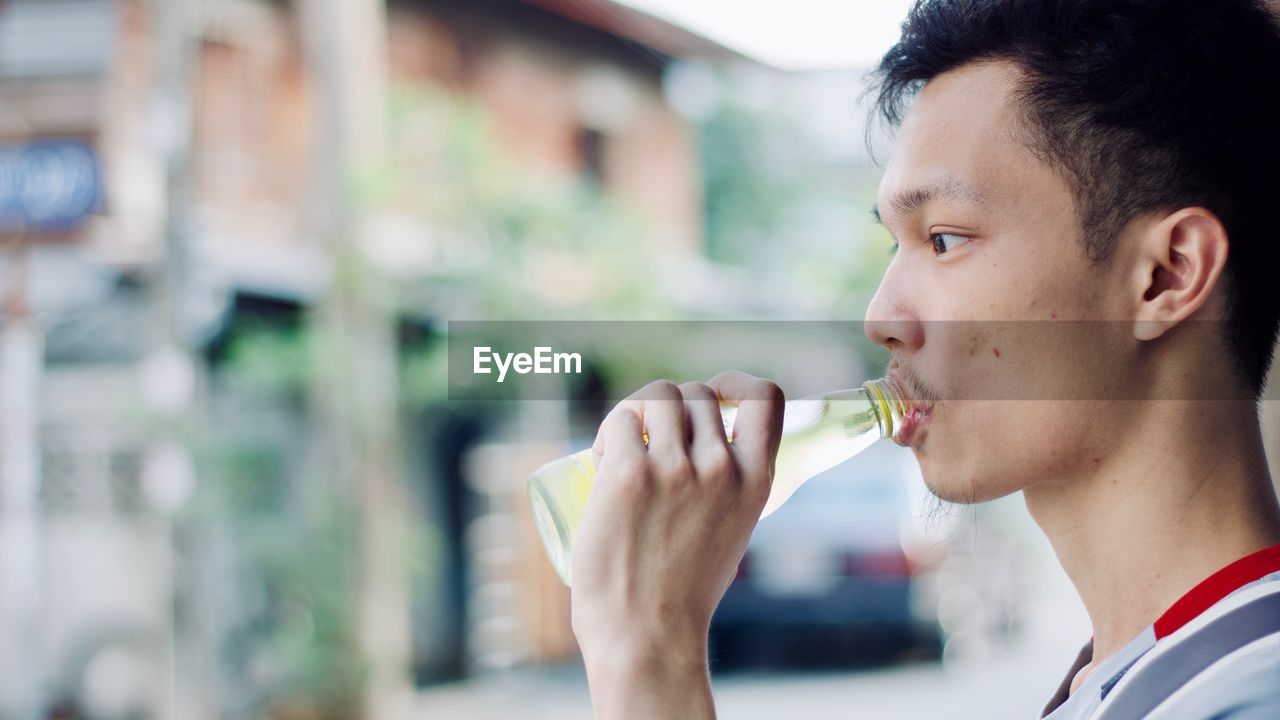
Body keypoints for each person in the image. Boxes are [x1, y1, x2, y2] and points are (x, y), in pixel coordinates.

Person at [567, 0, 1280, 718]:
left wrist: (648, 655)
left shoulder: (1250, 692)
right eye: (894, 245)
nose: (881, 317)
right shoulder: (1128, 675)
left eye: (944, 239)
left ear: (1167, 274)